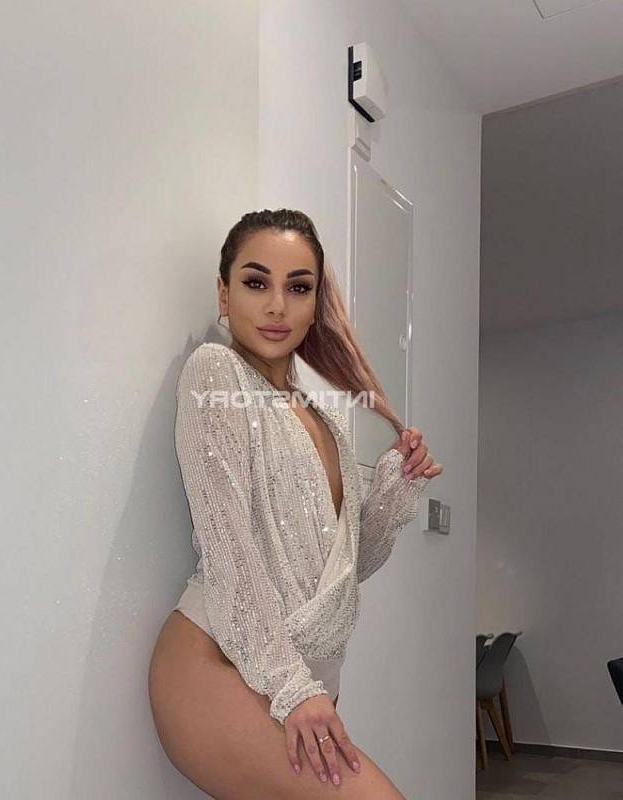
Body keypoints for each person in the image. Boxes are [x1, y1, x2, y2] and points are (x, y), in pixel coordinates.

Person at [148, 208, 443, 799]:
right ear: (224, 294)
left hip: (305, 672)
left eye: (298, 287)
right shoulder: (216, 374)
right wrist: (292, 688)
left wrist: (395, 488)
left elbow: (344, 573)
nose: (277, 306)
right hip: (220, 662)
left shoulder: (327, 417)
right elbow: (228, 549)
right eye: (256, 282)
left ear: (315, 304)